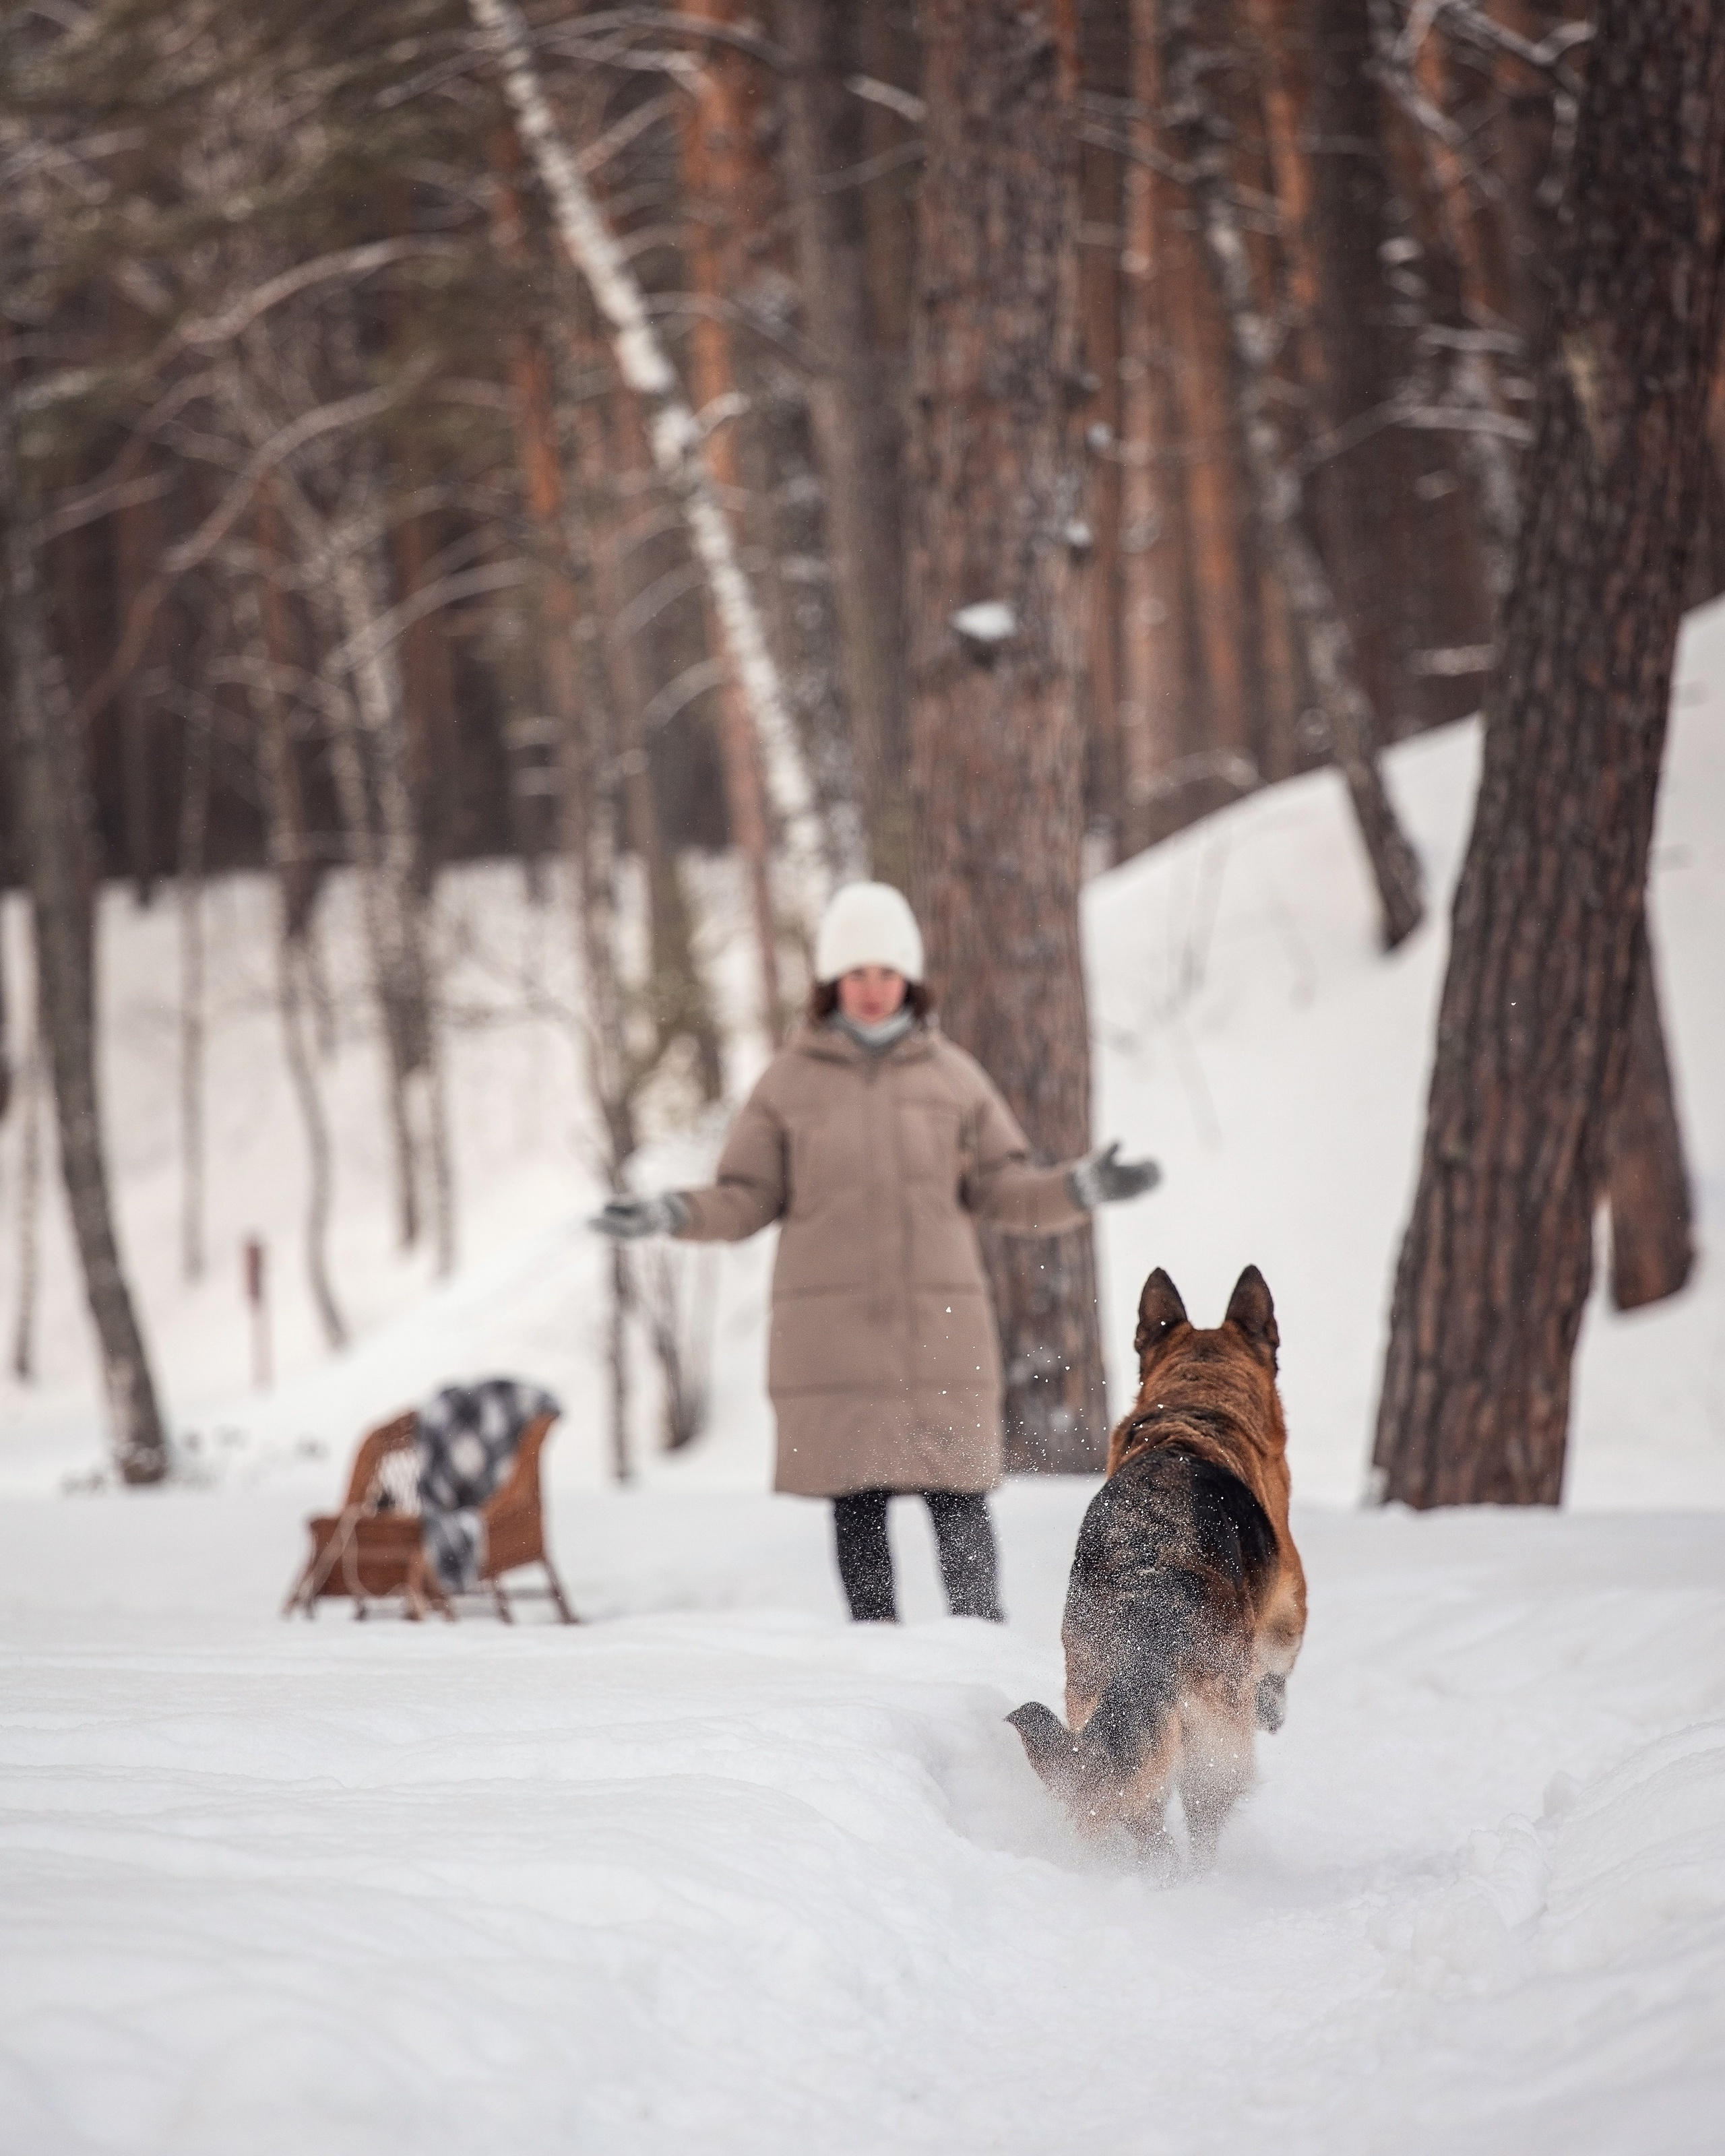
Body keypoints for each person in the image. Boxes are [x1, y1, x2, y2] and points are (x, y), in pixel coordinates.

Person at [590, 881, 1159, 1624]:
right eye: (855, 974)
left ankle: (979, 1657)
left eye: (885, 973)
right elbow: (744, 1194)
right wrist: (673, 1211)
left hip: (940, 1331)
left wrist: (1076, 1186)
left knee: (958, 1502)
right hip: (835, 1341)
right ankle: (875, 1666)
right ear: (831, 982)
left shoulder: (953, 1078)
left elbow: (1005, 1186)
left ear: (909, 981)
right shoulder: (786, 1084)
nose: (871, 988)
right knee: (856, 1507)